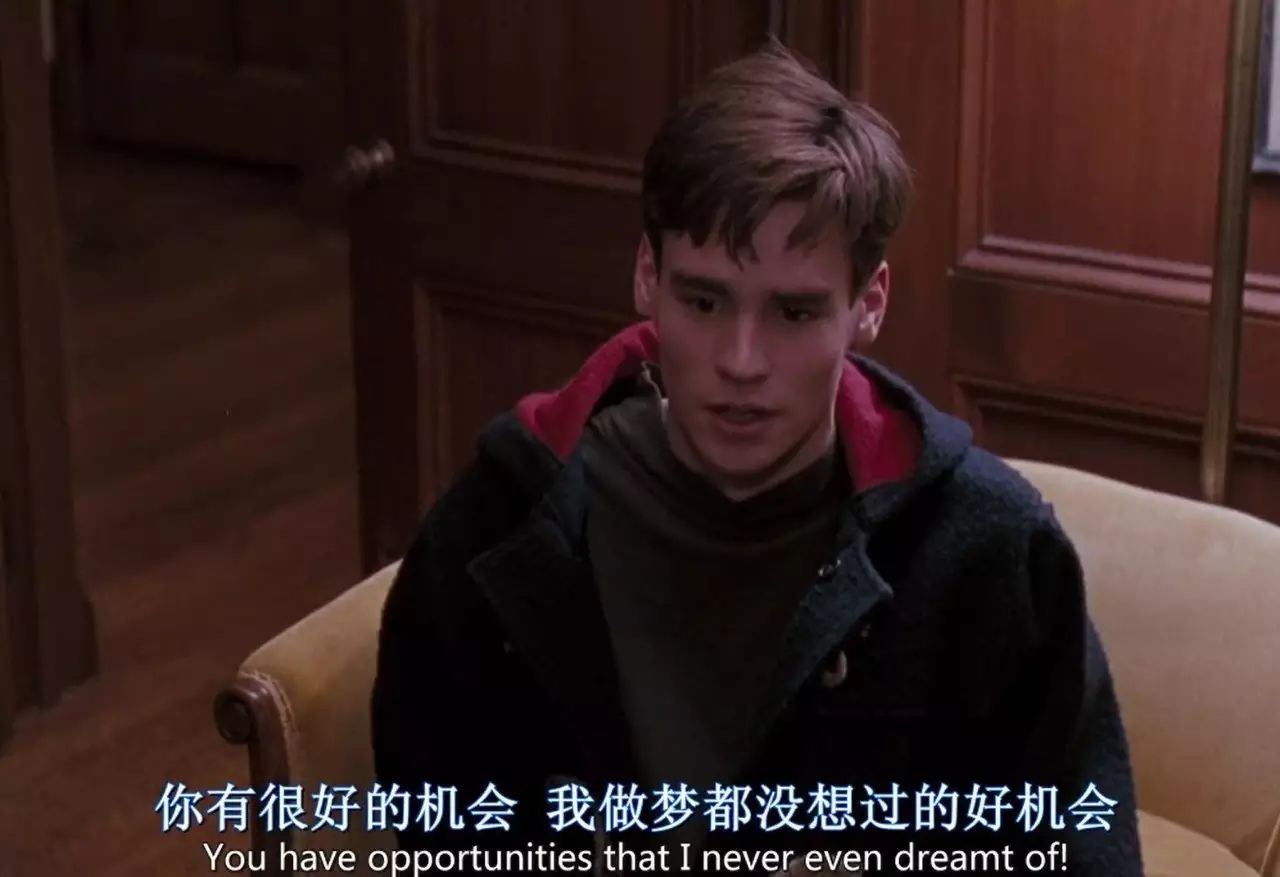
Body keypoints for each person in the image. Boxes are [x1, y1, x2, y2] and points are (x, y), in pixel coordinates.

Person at [371, 40, 1142, 875]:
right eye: (704, 300)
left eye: (794, 313)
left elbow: (1083, 844)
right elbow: (434, 824)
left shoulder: (990, 551)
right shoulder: (504, 522)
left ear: (868, 304)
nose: (741, 361)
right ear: (647, 276)